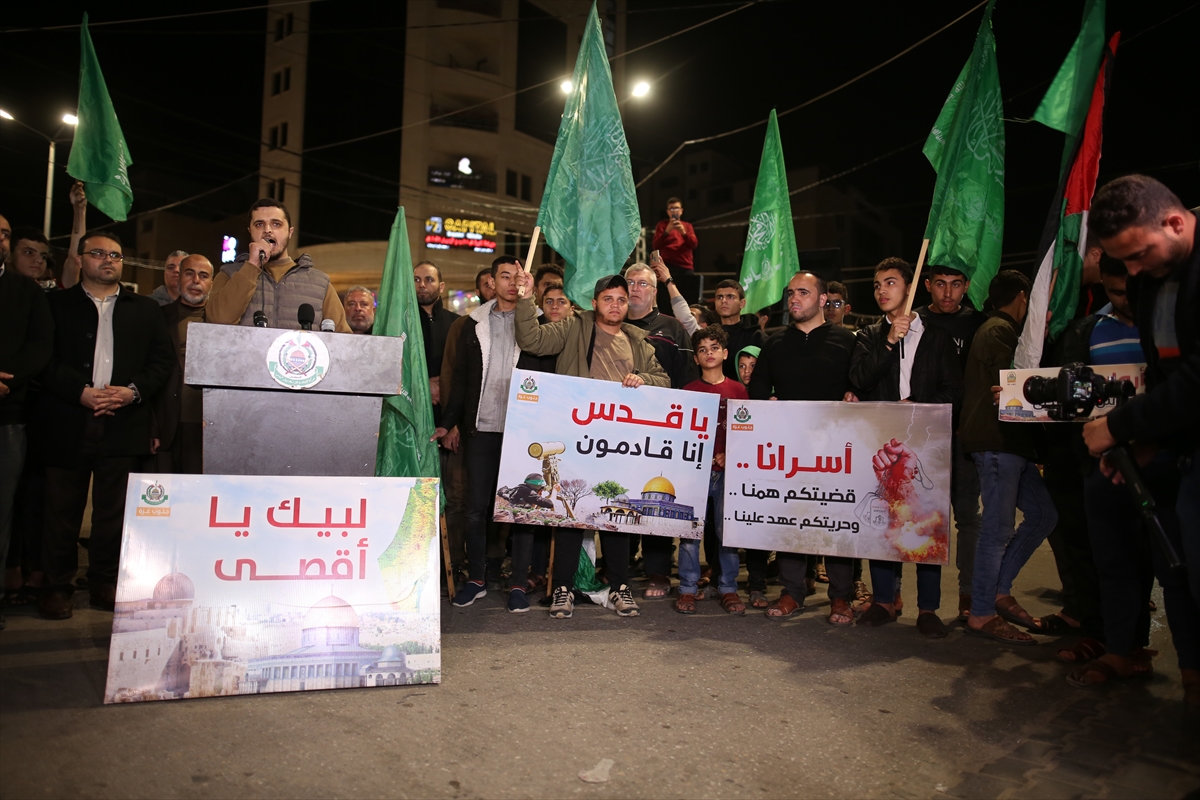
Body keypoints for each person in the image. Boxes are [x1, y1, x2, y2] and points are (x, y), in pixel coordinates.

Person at [1055, 253, 1200, 692]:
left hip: (1168, 468)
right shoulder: (1087, 333)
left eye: (1133, 291)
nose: (1127, 300)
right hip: (1106, 470)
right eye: (1117, 292)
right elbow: (1067, 397)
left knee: (1176, 573)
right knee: (1114, 566)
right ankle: (1120, 649)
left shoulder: (1173, 327)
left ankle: (1192, 668)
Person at [1082, 175, 1200, 707]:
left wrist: (1119, 427)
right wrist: (1147, 444)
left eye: (1137, 254)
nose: (1131, 271)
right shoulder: (1154, 274)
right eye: (1120, 261)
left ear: (1174, 222)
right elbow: (1163, 373)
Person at [513, 270, 670, 619]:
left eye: (621, 299)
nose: (615, 305)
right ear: (595, 302)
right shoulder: (574, 327)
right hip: (576, 439)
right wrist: (525, 298)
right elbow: (532, 340)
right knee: (572, 514)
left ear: (628, 305)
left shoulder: (639, 341)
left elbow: (663, 379)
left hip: (619, 445)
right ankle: (563, 589)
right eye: (608, 298)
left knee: (616, 515)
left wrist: (643, 379)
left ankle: (621, 587)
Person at [35, 232, 174, 620]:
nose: (108, 260)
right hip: (67, 417)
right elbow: (43, 359)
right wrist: (79, 392)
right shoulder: (55, 304)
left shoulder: (145, 309)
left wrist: (132, 392)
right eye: (98, 253)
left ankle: (105, 583)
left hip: (124, 420)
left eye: (115, 255)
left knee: (113, 513)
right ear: (81, 259)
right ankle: (57, 586)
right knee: (61, 511)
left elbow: (162, 363)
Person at [848, 257, 962, 637]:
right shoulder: (868, 335)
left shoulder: (937, 337)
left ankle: (927, 608)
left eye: (891, 283)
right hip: (883, 445)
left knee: (924, 523)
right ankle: (883, 601)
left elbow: (953, 391)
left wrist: (921, 409)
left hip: (925, 445)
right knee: (883, 520)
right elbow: (861, 379)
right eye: (877, 284)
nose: (881, 290)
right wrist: (889, 340)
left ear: (911, 288)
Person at [433, 257, 554, 612]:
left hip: (522, 434)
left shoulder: (536, 326)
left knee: (521, 511)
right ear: (492, 281)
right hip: (481, 429)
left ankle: (518, 583)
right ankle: (476, 579)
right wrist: (449, 421)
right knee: (475, 509)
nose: (511, 282)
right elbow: (461, 383)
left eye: (518, 277)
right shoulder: (474, 324)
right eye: (505, 276)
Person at [748, 271, 859, 624]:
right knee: (792, 521)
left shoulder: (847, 341)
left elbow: (863, 388)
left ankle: (841, 597)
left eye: (804, 292)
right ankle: (792, 591)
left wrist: (855, 396)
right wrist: (769, 401)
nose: (794, 298)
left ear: (823, 300)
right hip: (790, 453)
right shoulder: (775, 343)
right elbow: (756, 394)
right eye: (791, 292)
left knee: (838, 524)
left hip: (837, 453)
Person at [960, 270, 1057, 644]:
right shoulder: (998, 331)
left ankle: (997, 592)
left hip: (1013, 444)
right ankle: (982, 612)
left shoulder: (998, 330)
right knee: (997, 529)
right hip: (997, 440)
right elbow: (1013, 383)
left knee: (1044, 515)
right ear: (1021, 297)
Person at [622, 262, 697, 598]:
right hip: (616, 430)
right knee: (619, 496)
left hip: (660, 429)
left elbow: (685, 379)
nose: (635, 288)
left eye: (643, 283)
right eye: (630, 283)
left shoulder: (672, 327)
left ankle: (657, 572)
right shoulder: (611, 321)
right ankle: (617, 568)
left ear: (654, 292)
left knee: (655, 504)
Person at [916, 264, 986, 619]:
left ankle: (969, 596)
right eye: (940, 284)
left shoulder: (978, 324)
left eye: (955, 285)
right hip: (921, 439)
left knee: (967, 518)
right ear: (927, 285)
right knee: (915, 517)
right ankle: (900, 598)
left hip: (962, 436)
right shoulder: (913, 322)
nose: (948, 293)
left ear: (966, 286)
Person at [675, 326, 749, 615]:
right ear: (696, 358)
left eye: (714, 348)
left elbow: (748, 433)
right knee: (690, 532)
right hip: (695, 473)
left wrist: (730, 452)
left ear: (725, 353)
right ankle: (688, 588)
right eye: (702, 349)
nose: (709, 353)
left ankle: (728, 587)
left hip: (728, 473)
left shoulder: (739, 391)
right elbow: (681, 434)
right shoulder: (688, 392)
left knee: (726, 532)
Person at [0, 241, 55, 630]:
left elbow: (40, 346)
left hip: (9, 413)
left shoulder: (26, 293)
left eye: (2, 233)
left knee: (4, 512)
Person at [207, 198, 350, 332]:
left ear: (290, 232)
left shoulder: (320, 283)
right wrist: (252, 266)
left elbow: (343, 341)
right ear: (250, 231)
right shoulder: (229, 274)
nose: (267, 230)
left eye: (276, 224)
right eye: (259, 224)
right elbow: (216, 323)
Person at [439, 268, 497, 580]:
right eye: (486, 284)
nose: (492, 287)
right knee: (464, 499)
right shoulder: (465, 326)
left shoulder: (520, 326)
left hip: (502, 430)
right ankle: (460, 562)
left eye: (497, 281)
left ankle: (494, 559)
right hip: (468, 428)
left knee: (500, 499)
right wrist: (454, 424)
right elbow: (453, 377)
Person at [148, 255, 214, 475]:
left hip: (207, 428)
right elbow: (147, 372)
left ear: (211, 284)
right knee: (164, 504)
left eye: (203, 276)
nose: (196, 280)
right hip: (166, 428)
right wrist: (151, 426)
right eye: (189, 273)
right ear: (178, 279)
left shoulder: (223, 323)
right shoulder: (157, 317)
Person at [414, 260, 460, 426]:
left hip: (448, 416)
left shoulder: (457, 324)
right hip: (411, 411)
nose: (422, 285)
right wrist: (423, 385)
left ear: (441, 287)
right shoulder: (402, 323)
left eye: (429, 279)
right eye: (416, 280)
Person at [714, 280, 765, 382]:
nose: (724, 300)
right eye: (719, 297)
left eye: (730, 297)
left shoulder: (756, 336)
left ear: (742, 303)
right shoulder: (710, 336)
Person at [652, 198, 701, 306]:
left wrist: (683, 232)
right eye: (671, 208)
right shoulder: (662, 225)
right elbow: (655, 245)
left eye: (676, 208)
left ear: (681, 210)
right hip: (667, 266)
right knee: (665, 297)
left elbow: (694, 244)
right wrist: (666, 231)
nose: (674, 211)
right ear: (668, 211)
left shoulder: (687, 226)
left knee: (687, 297)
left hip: (685, 266)